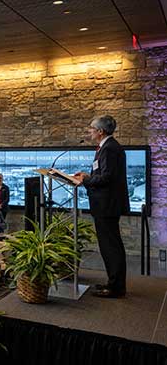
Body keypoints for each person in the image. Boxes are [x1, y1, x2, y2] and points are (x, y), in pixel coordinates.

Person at [74, 115, 129, 298]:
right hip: (105, 205)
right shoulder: (106, 147)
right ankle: (113, 283)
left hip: (107, 205)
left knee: (110, 246)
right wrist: (86, 176)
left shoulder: (109, 148)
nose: (89, 131)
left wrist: (86, 180)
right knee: (109, 245)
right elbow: (103, 174)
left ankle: (116, 288)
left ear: (100, 131)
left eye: (91, 128)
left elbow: (106, 178)